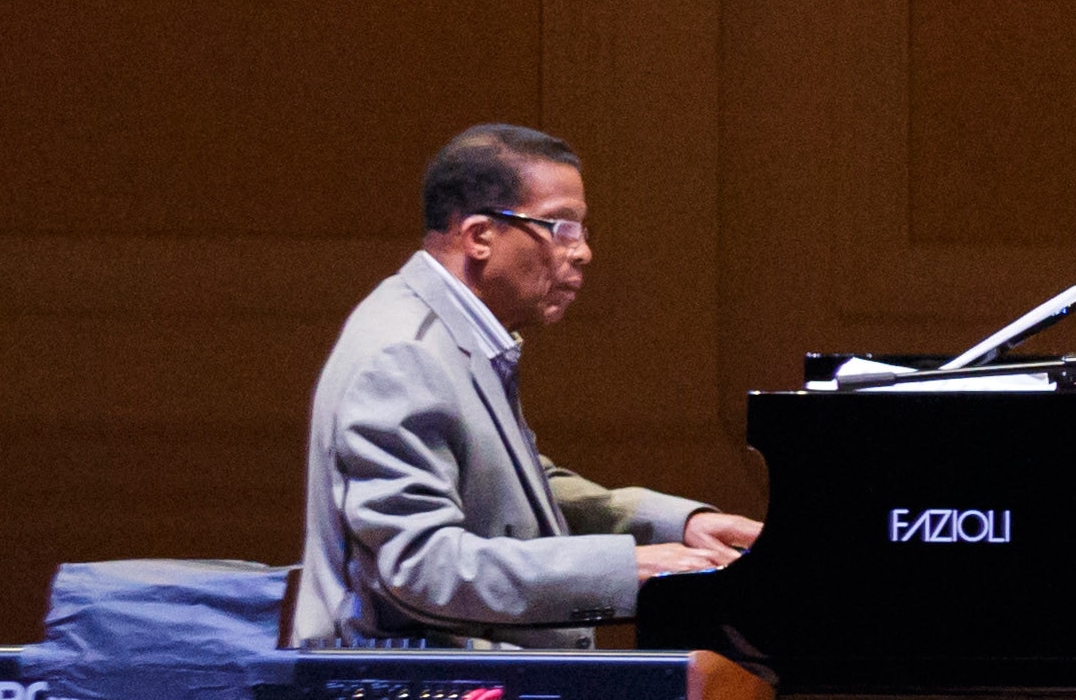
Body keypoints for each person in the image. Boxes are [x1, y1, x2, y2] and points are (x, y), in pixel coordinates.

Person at [291, 123, 753, 648]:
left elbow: (510, 480)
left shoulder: (454, 333)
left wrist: (672, 524)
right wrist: (623, 568)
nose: (582, 253)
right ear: (480, 237)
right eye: (561, 227)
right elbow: (422, 566)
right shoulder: (406, 355)